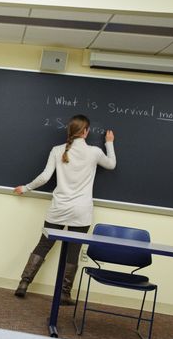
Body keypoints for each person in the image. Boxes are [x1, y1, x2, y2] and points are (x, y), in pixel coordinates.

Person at [13, 115, 116, 305]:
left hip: (59, 208)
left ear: (69, 130)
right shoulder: (94, 152)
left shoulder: (57, 150)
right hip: (81, 211)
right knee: (73, 252)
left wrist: (25, 188)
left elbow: (44, 177)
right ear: (86, 132)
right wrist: (109, 143)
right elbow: (111, 165)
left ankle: (23, 284)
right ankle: (64, 294)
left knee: (43, 246)